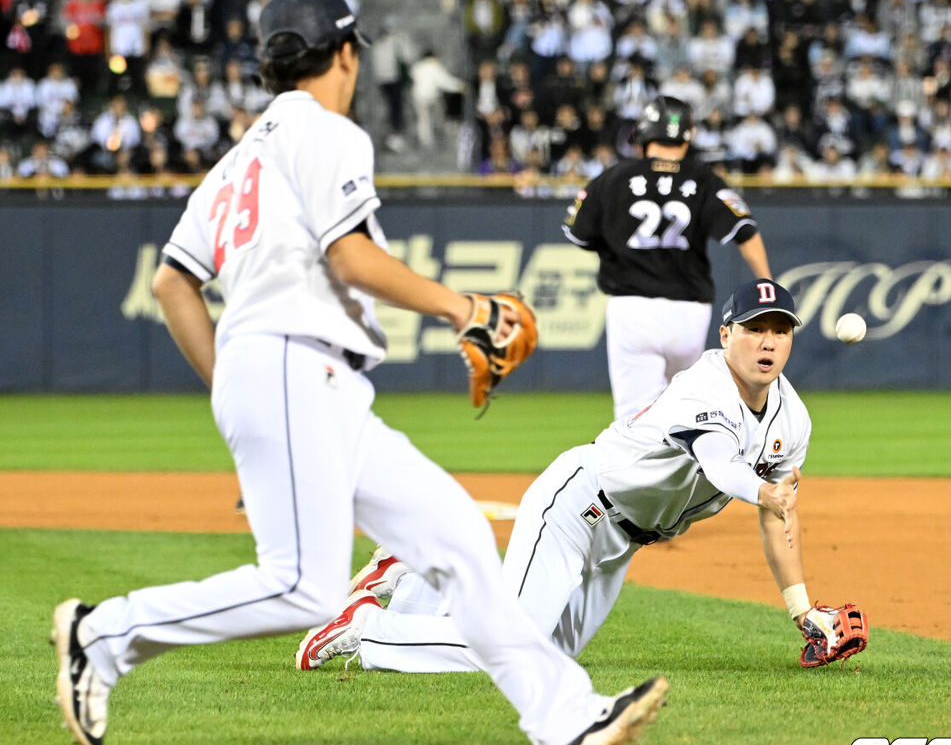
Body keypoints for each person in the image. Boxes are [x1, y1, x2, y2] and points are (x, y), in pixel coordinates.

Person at [51, 0, 666, 745]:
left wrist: (234, 393)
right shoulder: (328, 133)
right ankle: (102, 636)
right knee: (305, 589)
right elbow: (351, 258)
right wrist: (461, 306)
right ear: (345, 53)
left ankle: (563, 722)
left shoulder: (243, 157)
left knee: (456, 538)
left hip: (297, 376)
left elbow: (175, 284)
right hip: (290, 364)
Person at [299, 279, 822, 680]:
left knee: (552, 656)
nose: (768, 341)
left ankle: (421, 581)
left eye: (780, 329)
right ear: (727, 334)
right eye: (755, 328)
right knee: (512, 649)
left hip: (625, 540)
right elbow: (717, 462)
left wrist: (802, 612)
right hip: (578, 504)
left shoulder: (791, 418)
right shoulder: (704, 386)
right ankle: (363, 627)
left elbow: (777, 515)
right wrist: (762, 489)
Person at [563, 95, 772, 420]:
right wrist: (766, 284)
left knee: (635, 421)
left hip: (631, 309)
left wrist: (615, 245)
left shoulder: (613, 178)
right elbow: (744, 229)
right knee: (688, 414)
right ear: (688, 135)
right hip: (688, 312)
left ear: (643, 135)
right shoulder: (704, 179)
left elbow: (578, 233)